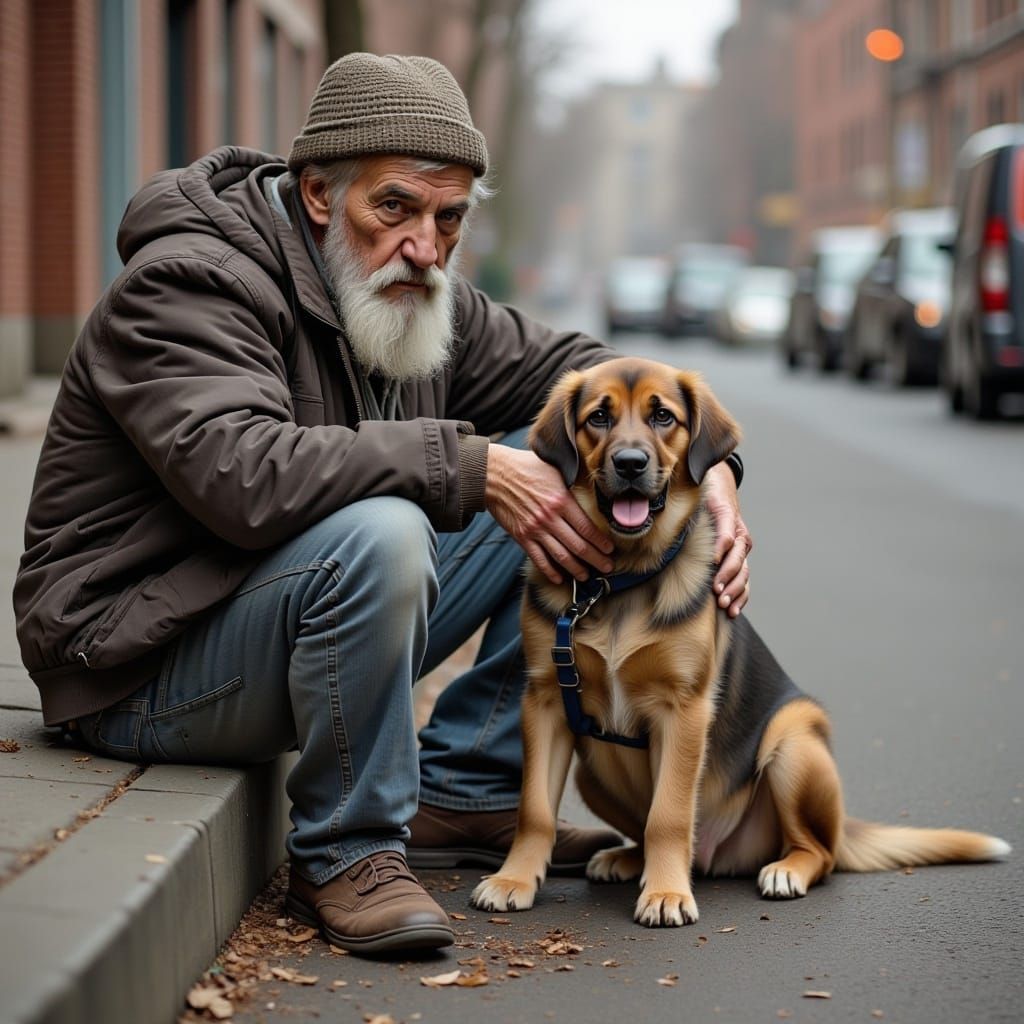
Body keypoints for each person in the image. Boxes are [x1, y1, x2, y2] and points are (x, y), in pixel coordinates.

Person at [13, 53, 751, 957]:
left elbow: (586, 376)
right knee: (397, 522)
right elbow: (240, 477)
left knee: (563, 460)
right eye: (394, 207)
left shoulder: (412, 290)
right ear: (319, 193)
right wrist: (466, 467)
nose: (425, 246)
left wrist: (709, 466)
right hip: (139, 666)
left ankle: (468, 788)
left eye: (450, 219)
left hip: (269, 612)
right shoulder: (192, 284)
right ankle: (349, 850)